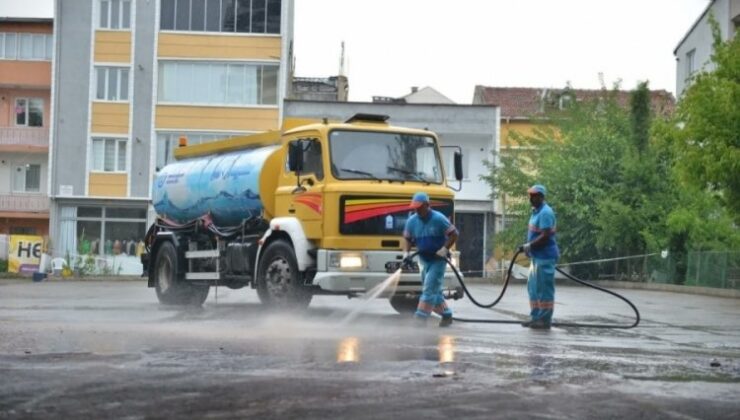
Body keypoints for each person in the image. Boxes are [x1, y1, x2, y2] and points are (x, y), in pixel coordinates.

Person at [402, 192, 459, 327]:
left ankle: (420, 319)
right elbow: (407, 239)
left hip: (438, 260)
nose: (417, 210)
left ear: (427, 205)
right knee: (434, 290)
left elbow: (454, 234)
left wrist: (444, 249)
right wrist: (406, 253)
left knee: (428, 288)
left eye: (419, 207)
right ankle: (446, 314)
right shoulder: (412, 221)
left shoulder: (439, 219)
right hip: (424, 259)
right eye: (415, 207)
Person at [519, 184, 560, 330]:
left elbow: (545, 235)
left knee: (544, 290)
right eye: (530, 195)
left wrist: (530, 245)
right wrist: (529, 246)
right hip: (537, 257)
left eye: (534, 196)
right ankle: (536, 317)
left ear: (541, 197)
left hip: (545, 257)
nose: (531, 198)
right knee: (534, 288)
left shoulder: (545, 213)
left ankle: (544, 319)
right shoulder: (536, 212)